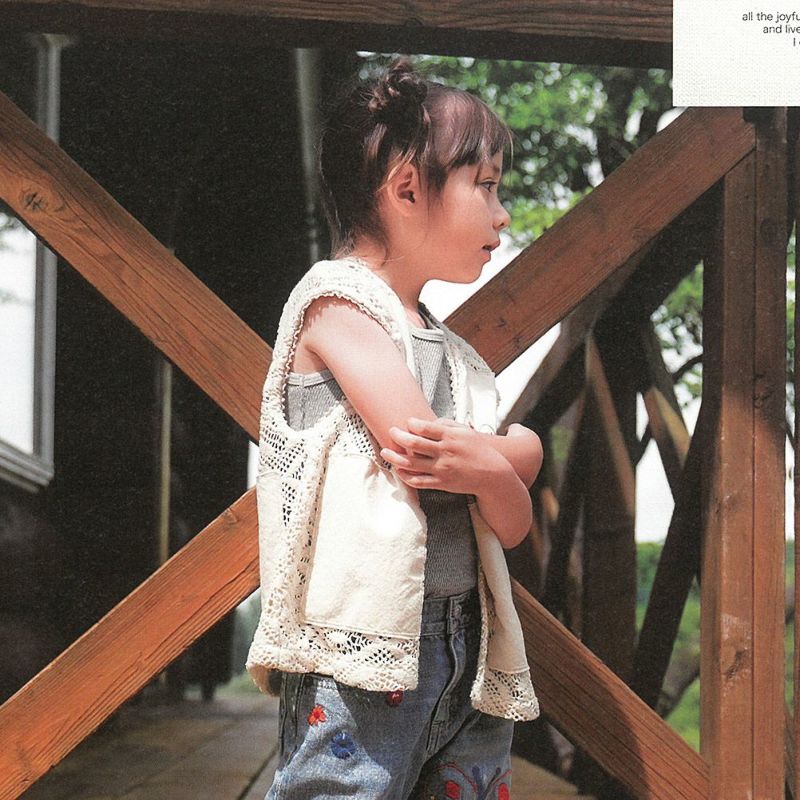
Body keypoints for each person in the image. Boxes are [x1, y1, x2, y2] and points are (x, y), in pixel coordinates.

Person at [246, 56, 544, 800]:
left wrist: (503, 463)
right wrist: (510, 455)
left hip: (469, 646)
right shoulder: (335, 304)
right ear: (408, 188)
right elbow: (422, 452)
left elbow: (511, 523)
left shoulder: (454, 353)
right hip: (362, 654)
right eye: (486, 185)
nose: (502, 214)